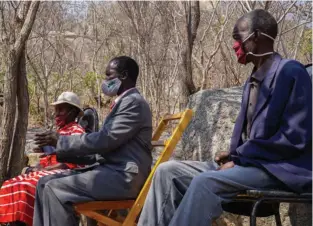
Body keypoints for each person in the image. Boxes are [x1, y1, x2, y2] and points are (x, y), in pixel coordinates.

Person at [138, 9, 312, 226]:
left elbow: (294, 139)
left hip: (278, 169)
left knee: (205, 182)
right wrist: (232, 155)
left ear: (256, 36)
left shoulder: (291, 72)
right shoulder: (252, 81)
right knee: (167, 171)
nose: (234, 45)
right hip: (248, 164)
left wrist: (239, 157)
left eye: (238, 37)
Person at [32, 56, 153, 226]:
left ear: (124, 75)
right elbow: (104, 149)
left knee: (54, 189)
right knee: (43, 183)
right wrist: (57, 149)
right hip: (112, 170)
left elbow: (105, 140)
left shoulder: (134, 103)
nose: (106, 81)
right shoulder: (124, 103)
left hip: (124, 176)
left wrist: (61, 140)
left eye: (109, 76)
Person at [0, 91, 85, 226]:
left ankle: (28, 221)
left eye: (61, 109)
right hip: (49, 170)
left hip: (64, 174)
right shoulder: (59, 132)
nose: (57, 113)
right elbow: (51, 156)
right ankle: (15, 221)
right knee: (9, 184)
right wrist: (44, 155)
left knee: (25, 186)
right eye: (56, 109)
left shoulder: (77, 131)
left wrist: (44, 167)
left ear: (73, 112)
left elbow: (70, 163)